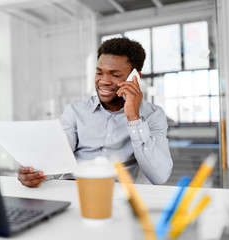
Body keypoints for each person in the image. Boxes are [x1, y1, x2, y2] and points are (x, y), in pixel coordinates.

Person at [18, 37, 173, 188]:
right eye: (99, 73)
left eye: (115, 74)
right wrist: (36, 173)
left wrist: (134, 118)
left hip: (120, 197)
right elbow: (59, 156)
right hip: (74, 189)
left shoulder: (153, 115)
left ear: (135, 77)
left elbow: (159, 176)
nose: (104, 81)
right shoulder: (75, 110)